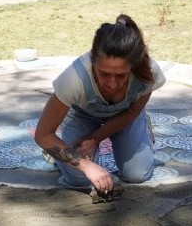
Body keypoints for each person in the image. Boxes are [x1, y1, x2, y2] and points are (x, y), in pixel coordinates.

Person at [34, 14, 165, 193]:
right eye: (103, 74)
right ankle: (58, 153)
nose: (112, 84)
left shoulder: (147, 73)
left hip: (125, 114)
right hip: (83, 113)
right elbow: (43, 135)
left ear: (132, 67)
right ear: (92, 61)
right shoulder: (73, 79)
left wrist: (95, 138)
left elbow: (132, 111)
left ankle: (142, 129)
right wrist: (87, 166)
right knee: (79, 179)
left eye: (121, 76)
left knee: (137, 175)